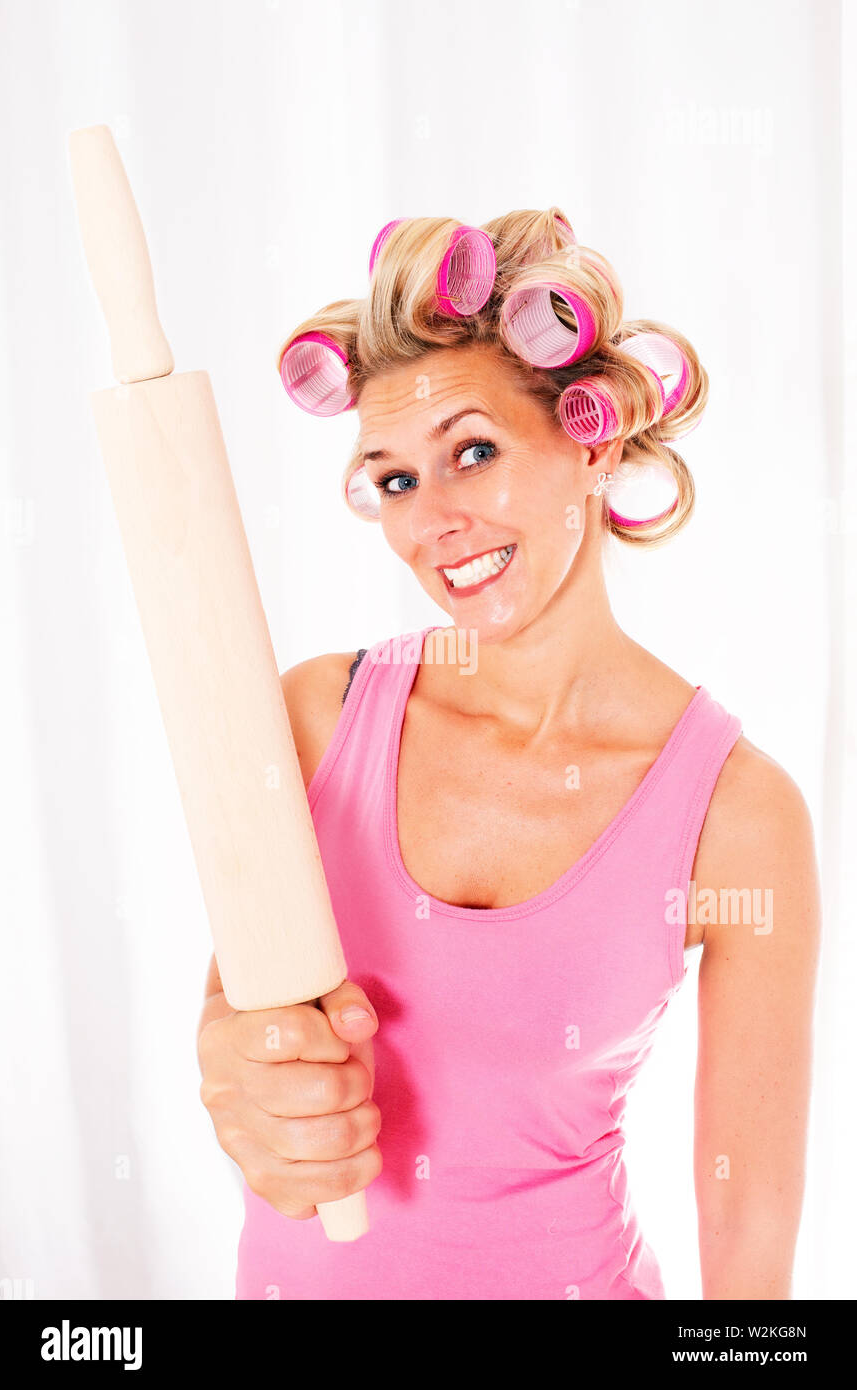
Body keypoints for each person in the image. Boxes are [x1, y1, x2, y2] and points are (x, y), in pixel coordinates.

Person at [196, 208, 821, 1300]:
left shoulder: (737, 813)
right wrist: (236, 1082)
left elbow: (747, 1216)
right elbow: (237, 1028)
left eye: (471, 452)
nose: (432, 520)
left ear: (591, 440)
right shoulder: (310, 718)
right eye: (393, 480)